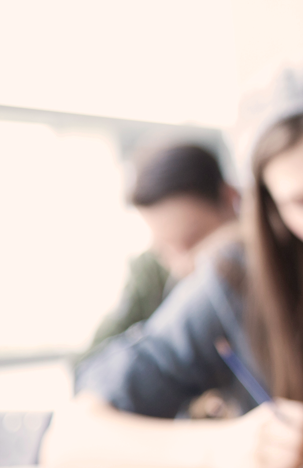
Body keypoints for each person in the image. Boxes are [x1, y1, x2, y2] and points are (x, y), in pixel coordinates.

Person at [42, 61, 303, 468]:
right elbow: (69, 442)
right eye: (302, 202)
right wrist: (221, 448)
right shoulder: (240, 279)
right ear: (270, 207)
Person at [85, 143, 238, 357]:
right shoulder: (150, 271)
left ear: (231, 199)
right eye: (165, 246)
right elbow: (93, 361)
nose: (183, 264)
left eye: (193, 240)